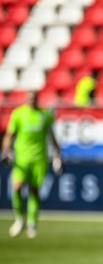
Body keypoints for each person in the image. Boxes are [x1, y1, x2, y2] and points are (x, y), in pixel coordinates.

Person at [2, 91, 61, 239]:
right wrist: (6, 150)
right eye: (29, 98)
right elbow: (9, 135)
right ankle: (19, 218)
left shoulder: (45, 115)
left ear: (37, 99)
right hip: (21, 159)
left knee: (34, 191)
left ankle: (32, 222)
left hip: (39, 159)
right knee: (17, 186)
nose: (32, 100)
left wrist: (57, 156)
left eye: (34, 98)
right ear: (26, 99)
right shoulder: (19, 114)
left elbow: (52, 136)